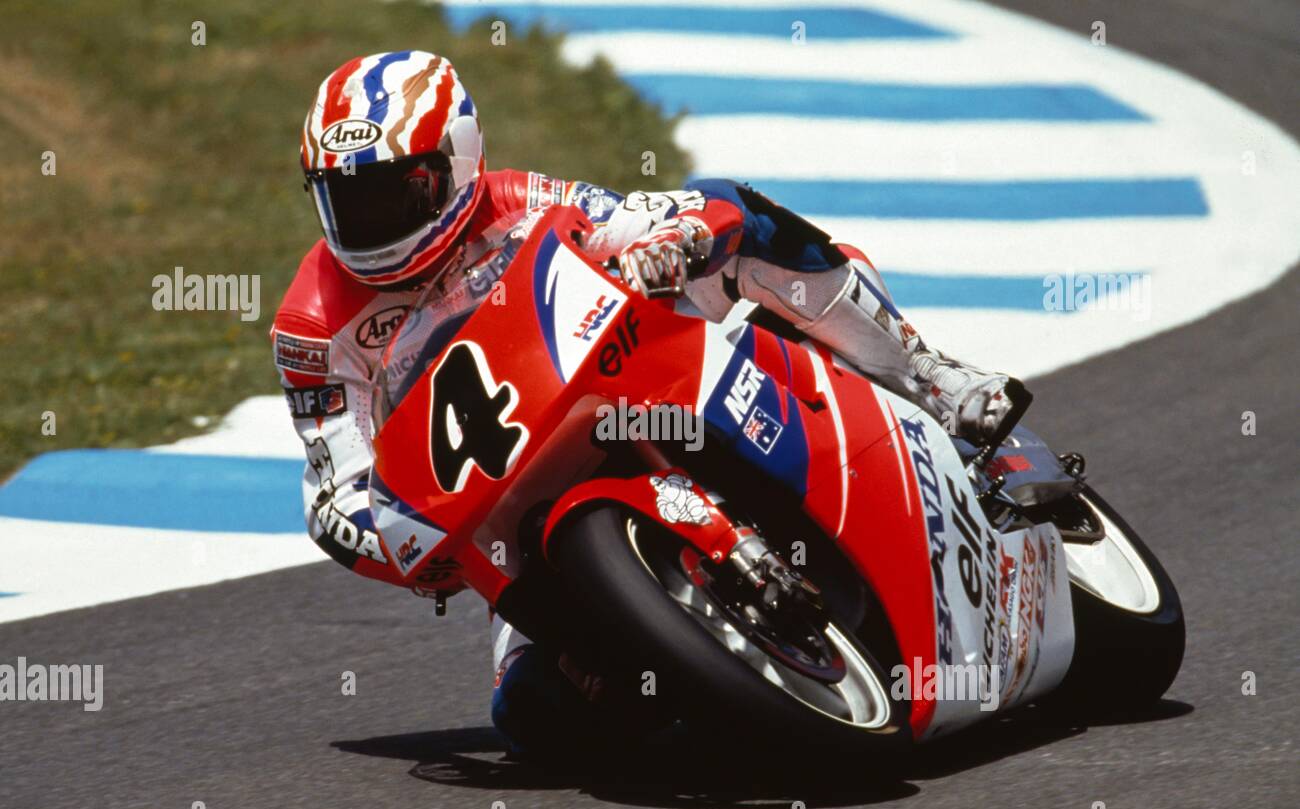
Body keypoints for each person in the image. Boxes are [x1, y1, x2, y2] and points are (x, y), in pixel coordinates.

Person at [272, 51, 1021, 758]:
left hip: (617, 400)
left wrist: (677, 237)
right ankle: (709, 680)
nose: (368, 221)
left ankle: (928, 377)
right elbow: (336, 490)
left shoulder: (522, 201)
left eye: (394, 192)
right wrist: (402, 544)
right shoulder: (309, 327)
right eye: (344, 198)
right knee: (534, 718)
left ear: (459, 161)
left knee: (741, 221)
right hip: (502, 525)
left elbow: (642, 215)